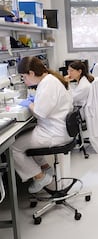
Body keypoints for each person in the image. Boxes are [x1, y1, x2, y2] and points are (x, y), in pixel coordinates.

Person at [12, 56, 73, 194]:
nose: (24, 80)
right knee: (24, 137)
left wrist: (30, 103)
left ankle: (40, 177)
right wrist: (35, 100)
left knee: (14, 147)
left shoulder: (47, 84)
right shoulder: (50, 79)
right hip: (59, 128)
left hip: (54, 132)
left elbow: (40, 113)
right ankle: (45, 168)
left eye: (24, 77)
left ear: (32, 73)